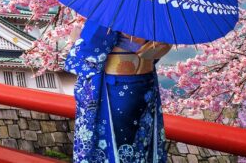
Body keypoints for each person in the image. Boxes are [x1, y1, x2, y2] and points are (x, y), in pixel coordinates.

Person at [65, 18, 172, 163]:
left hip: (117, 87)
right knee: (139, 143)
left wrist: (76, 39)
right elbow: (154, 54)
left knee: (114, 143)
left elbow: (90, 53)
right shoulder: (155, 13)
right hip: (145, 85)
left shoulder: (115, 8)